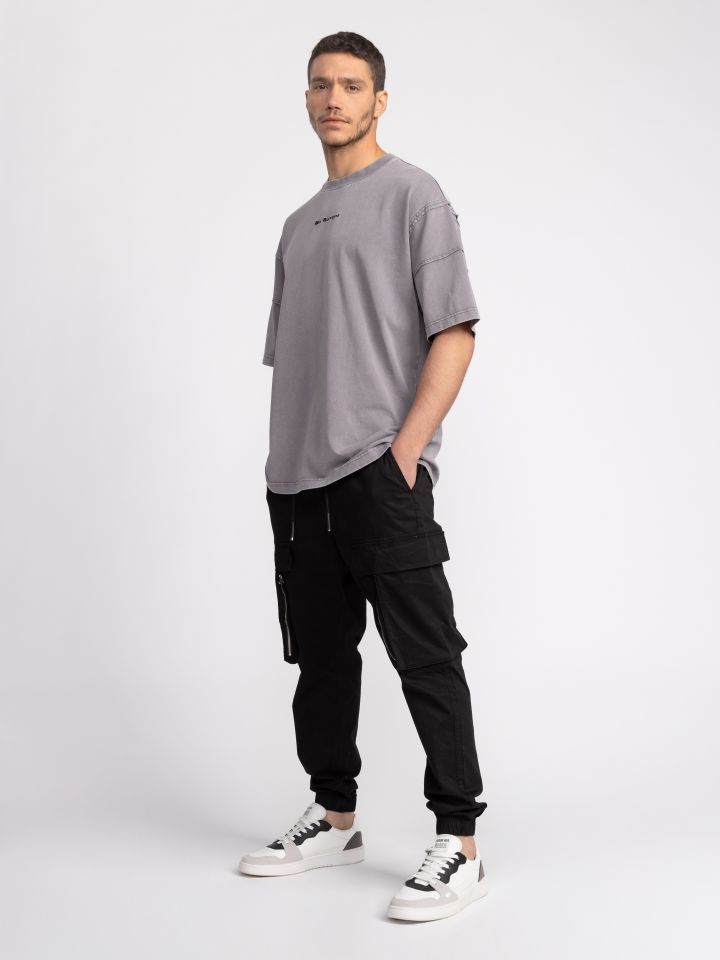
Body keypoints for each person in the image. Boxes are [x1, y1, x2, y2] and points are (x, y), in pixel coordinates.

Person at [239, 31, 489, 923]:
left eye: (351, 85)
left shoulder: (414, 195)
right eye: (321, 85)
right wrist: (284, 467)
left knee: (426, 654)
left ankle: (459, 842)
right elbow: (302, 360)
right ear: (307, 99)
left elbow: (454, 330)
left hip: (381, 471)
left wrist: (406, 451)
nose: (334, 99)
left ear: (380, 100)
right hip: (298, 483)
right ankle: (334, 816)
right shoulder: (296, 226)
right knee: (319, 660)